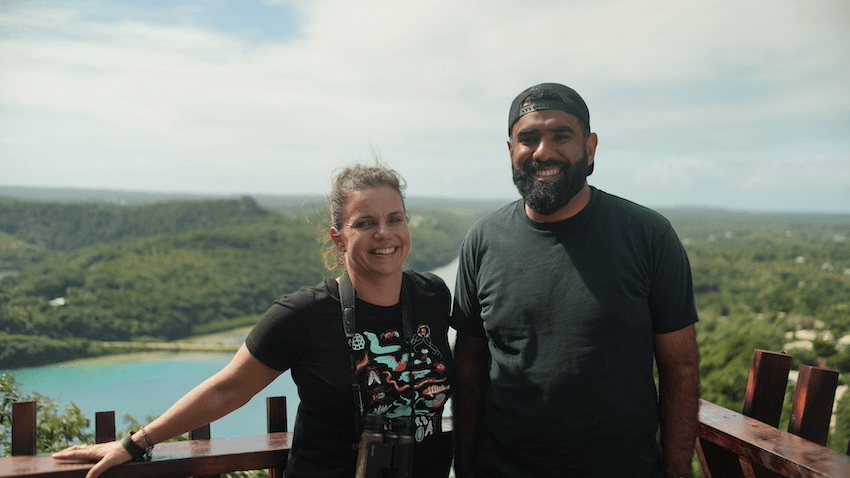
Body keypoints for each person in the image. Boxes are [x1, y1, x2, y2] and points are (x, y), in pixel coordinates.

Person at [53, 163, 455, 478]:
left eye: (394, 219)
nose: (384, 234)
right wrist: (137, 443)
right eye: (365, 223)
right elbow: (227, 389)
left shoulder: (433, 296)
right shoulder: (304, 313)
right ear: (339, 237)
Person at [451, 83, 699, 478]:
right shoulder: (483, 241)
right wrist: (464, 467)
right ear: (510, 151)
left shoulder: (648, 235)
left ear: (591, 147)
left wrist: (676, 471)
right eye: (528, 139)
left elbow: (680, 368)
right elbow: (469, 367)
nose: (544, 151)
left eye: (561, 136)